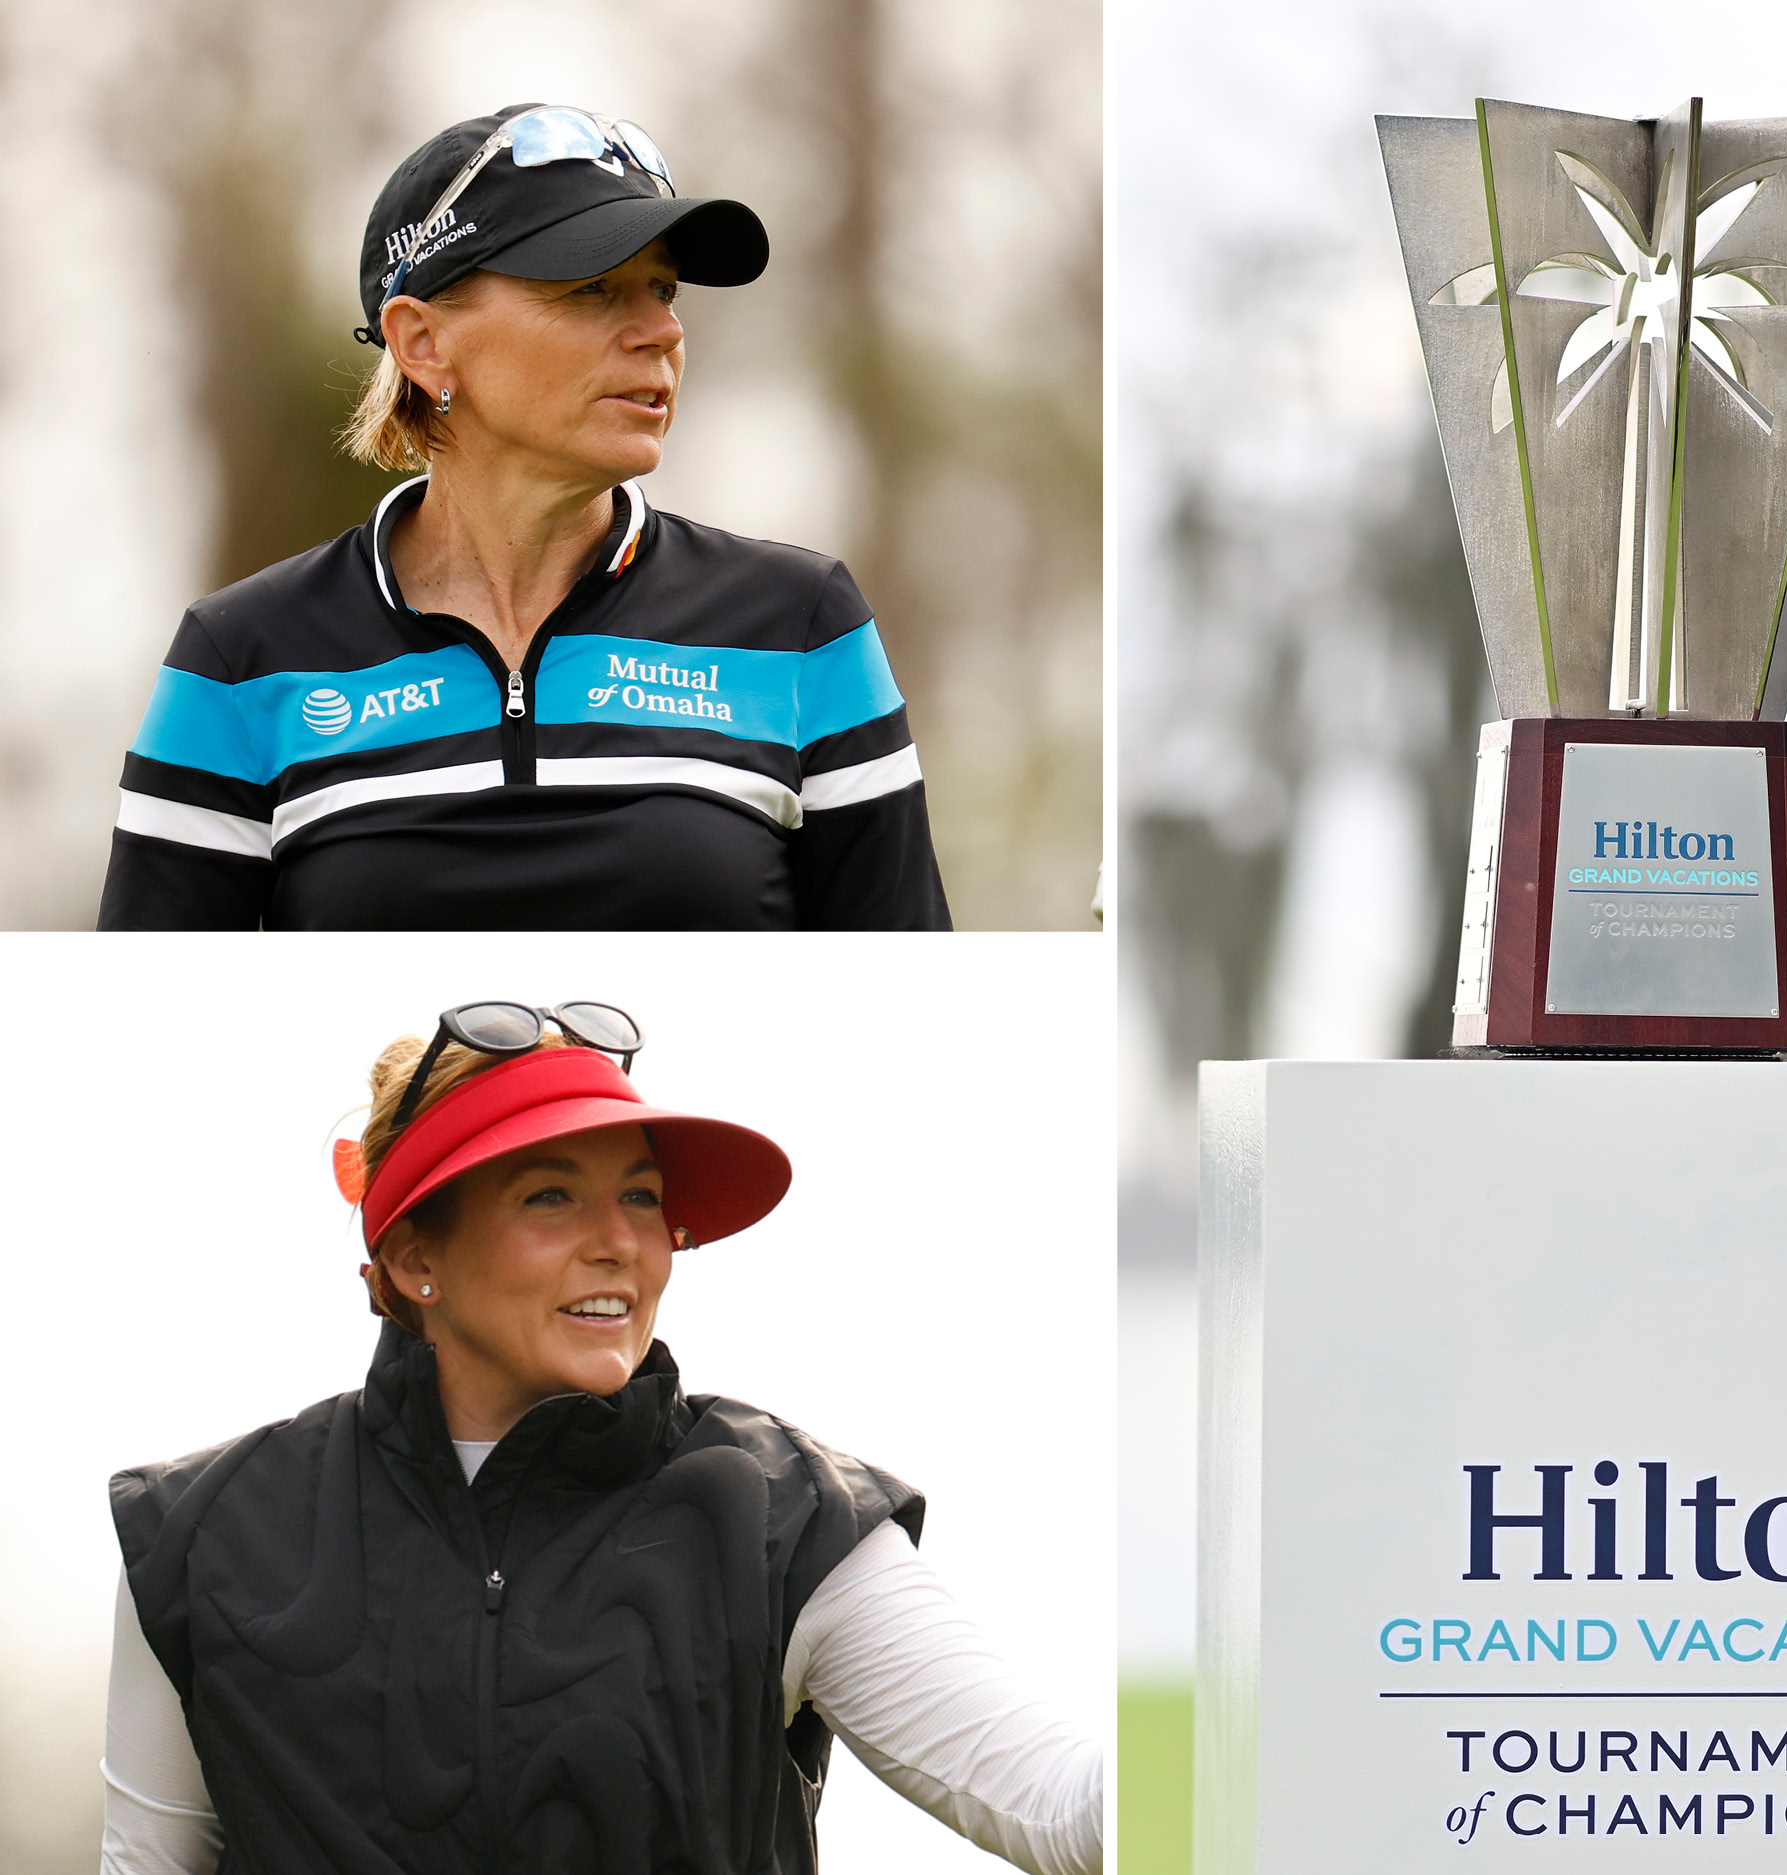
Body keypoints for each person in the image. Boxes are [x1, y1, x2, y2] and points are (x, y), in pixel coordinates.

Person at [100, 1003, 1094, 1872]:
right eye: (550, 1195)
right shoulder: (203, 1536)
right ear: (412, 1259)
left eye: (642, 1196)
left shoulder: (789, 1521)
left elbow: (1059, 1811)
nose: (620, 1240)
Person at [99, 106, 951, 929]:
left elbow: (909, 1020)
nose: (661, 329)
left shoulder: (801, 628)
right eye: (591, 289)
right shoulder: (240, 660)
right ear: (422, 341)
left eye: (661, 287)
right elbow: (150, 1033)